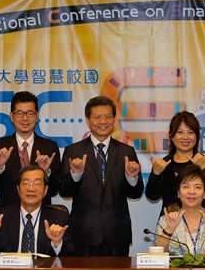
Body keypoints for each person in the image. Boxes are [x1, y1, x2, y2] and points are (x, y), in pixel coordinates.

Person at [59, 96, 144, 256]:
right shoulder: (73, 151)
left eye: (107, 117)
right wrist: (76, 175)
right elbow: (64, 191)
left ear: (114, 119)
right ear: (88, 120)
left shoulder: (126, 152)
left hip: (117, 232)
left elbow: (136, 193)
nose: (103, 121)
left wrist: (132, 178)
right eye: (97, 117)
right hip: (84, 232)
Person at [0, 91, 61, 208]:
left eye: (30, 113)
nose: (25, 118)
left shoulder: (50, 147)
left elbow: (54, 190)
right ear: (11, 116)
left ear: (37, 116)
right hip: (8, 213)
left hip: (42, 214)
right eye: (19, 113)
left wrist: (47, 172)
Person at [0, 165, 73, 256]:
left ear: (45, 190)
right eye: (26, 183)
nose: (31, 189)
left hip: (44, 266)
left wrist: (57, 243)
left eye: (37, 184)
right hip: (11, 266)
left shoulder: (60, 218)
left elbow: (70, 257)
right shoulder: (0, 217)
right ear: (18, 189)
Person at [146, 111, 205, 215]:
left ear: (197, 136)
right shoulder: (163, 164)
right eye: (180, 132)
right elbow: (152, 196)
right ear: (172, 136)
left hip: (198, 220)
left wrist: (203, 168)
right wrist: (156, 174)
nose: (185, 137)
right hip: (169, 220)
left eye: (190, 132)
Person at [154, 165, 205, 256]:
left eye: (197, 187)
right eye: (186, 186)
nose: (191, 191)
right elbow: (156, 255)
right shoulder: (165, 221)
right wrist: (169, 229)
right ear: (178, 193)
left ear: (204, 194)